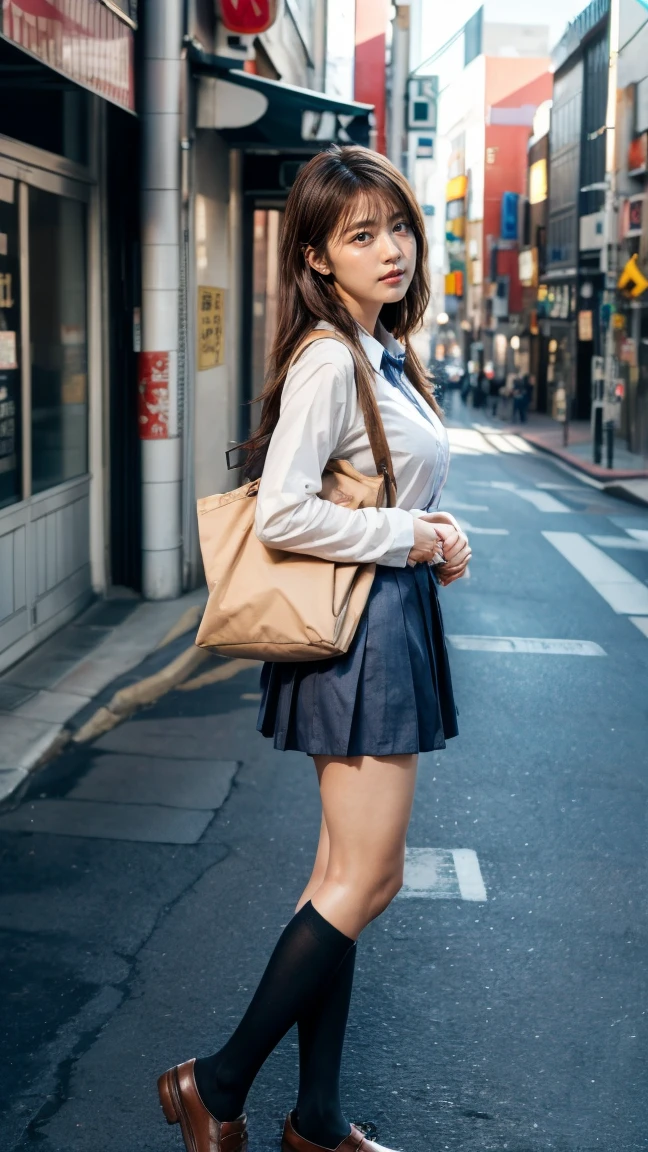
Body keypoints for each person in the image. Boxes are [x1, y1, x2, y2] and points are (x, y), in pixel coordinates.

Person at [157, 145, 471, 1152]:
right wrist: (405, 537)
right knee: (366, 879)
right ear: (317, 256)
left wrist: (437, 534)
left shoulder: (381, 351)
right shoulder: (333, 356)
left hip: (388, 615)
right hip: (360, 635)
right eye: (362, 233)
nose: (394, 248)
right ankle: (217, 1081)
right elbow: (288, 512)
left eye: (400, 226)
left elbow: (381, 492)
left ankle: (318, 1118)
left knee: (338, 874)